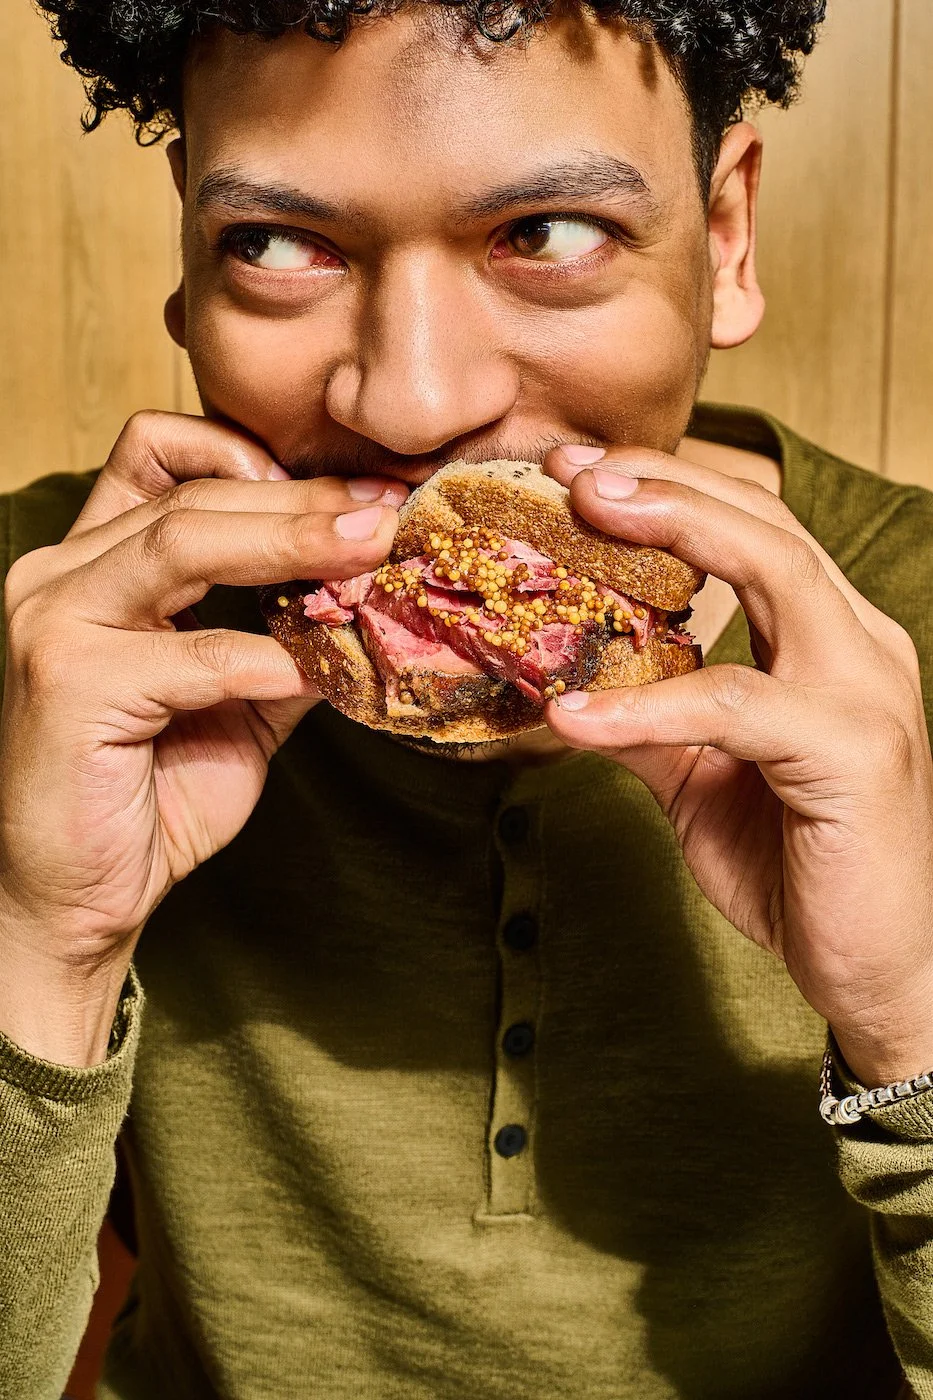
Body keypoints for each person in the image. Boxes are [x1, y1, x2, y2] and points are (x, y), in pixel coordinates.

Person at [1, 0, 932, 1396]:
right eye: (278, 245)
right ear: (188, 255)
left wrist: (913, 1024)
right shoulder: (41, 635)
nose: (412, 403)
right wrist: (37, 947)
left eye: (546, 235)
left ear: (725, 240)